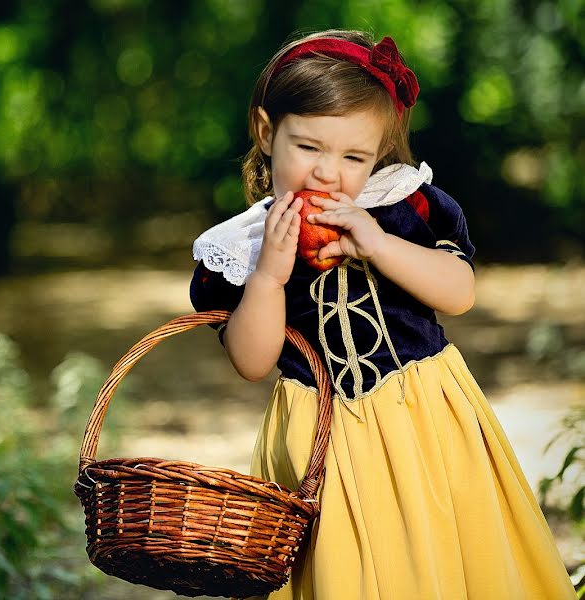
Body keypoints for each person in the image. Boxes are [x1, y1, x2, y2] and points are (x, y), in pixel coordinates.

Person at [190, 29, 576, 600]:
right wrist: (269, 276)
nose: (328, 172)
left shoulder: (404, 205)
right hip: (317, 436)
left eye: (354, 156)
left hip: (422, 416)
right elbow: (252, 361)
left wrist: (378, 244)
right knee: (343, 572)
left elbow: (459, 291)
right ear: (267, 132)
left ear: (378, 154)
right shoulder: (243, 245)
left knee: (440, 554)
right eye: (309, 147)